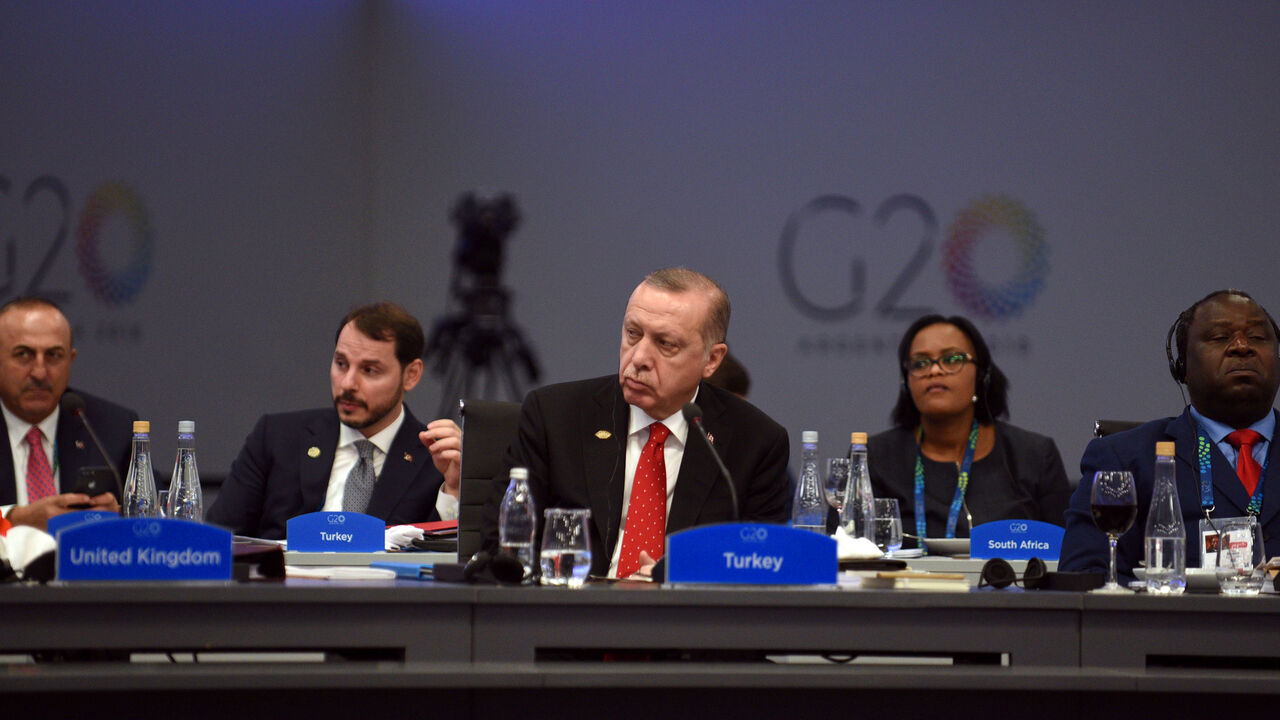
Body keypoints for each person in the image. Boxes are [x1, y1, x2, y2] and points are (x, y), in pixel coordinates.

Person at [492, 268, 790, 579]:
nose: (639, 358)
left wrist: (682, 572)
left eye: (666, 344)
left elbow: (763, 566)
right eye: (633, 334)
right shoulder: (555, 415)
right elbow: (501, 545)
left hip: (687, 619)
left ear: (711, 360)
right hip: (572, 613)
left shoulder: (755, 441)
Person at [1059, 290, 1280, 577]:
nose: (1241, 346)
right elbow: (1086, 574)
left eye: (1257, 337)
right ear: (1182, 368)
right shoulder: (1125, 459)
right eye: (1220, 337)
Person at [208, 302, 462, 539]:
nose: (348, 383)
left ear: (411, 375)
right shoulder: (276, 437)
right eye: (341, 364)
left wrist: (453, 490)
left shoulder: (436, 461)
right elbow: (218, 539)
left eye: (369, 370)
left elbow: (442, 563)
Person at [869, 314, 1070, 546]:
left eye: (952, 359)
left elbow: (1066, 555)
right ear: (907, 382)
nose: (934, 370)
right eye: (920, 363)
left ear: (981, 374)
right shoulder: (875, 457)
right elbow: (847, 550)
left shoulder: (1034, 455)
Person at [0, 298, 137, 531]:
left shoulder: (113, 429)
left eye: (54, 355)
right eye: (23, 354)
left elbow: (154, 519)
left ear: (70, 360)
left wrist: (120, 516)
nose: (40, 372)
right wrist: (13, 520)